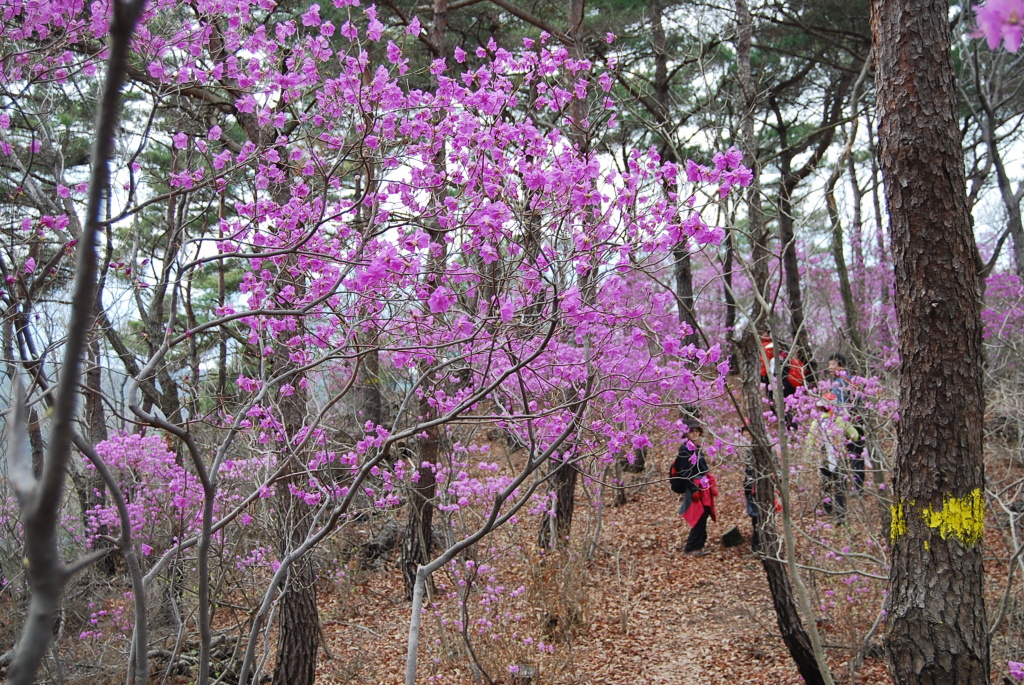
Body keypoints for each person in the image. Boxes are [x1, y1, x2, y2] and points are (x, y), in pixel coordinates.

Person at [807, 394, 859, 522]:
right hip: (838, 456)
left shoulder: (816, 421)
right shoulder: (840, 420)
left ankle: (828, 508)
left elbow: (810, 441)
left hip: (823, 457)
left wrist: (809, 456)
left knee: (826, 484)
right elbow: (855, 436)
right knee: (840, 485)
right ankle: (840, 514)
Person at [670, 424, 717, 556]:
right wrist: (694, 489)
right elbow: (685, 472)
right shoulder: (685, 450)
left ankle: (699, 545)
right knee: (699, 515)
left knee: (705, 513)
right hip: (695, 486)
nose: (695, 434)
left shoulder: (697, 448)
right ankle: (691, 547)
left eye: (697, 432)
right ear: (686, 434)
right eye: (692, 431)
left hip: (703, 485)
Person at [826, 353, 866, 490]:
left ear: (840, 364)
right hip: (844, 424)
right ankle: (855, 485)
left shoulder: (845, 381)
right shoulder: (837, 382)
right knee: (851, 454)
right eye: (829, 364)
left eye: (832, 364)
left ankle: (858, 486)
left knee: (855, 454)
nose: (829, 367)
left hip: (852, 423)